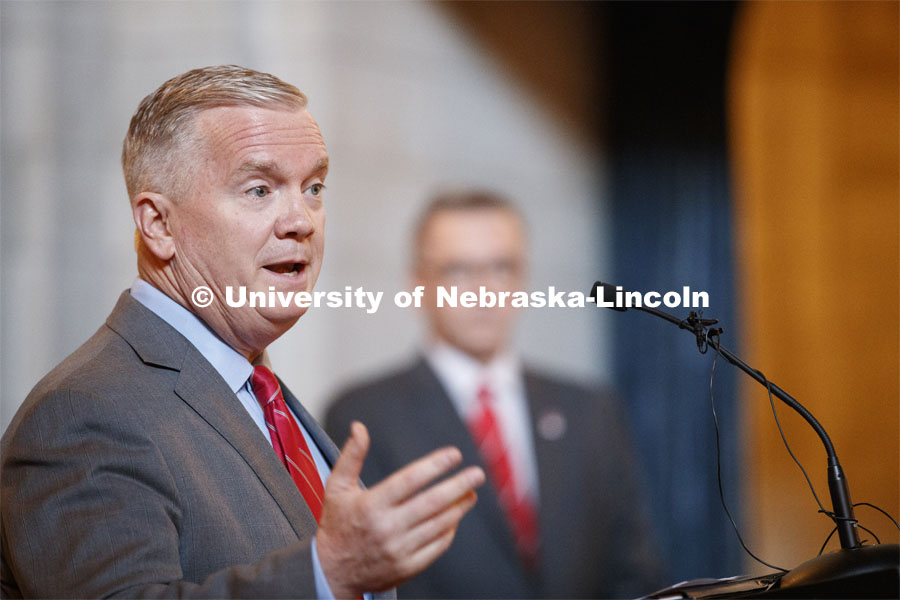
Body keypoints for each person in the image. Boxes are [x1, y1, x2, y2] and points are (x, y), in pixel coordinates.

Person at [0, 66, 486, 599]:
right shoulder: (82, 415)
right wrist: (329, 575)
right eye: (259, 190)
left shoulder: (257, 387)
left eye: (314, 187)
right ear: (158, 224)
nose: (301, 219)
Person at [325, 191, 664, 598]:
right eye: (458, 270)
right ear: (417, 285)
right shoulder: (364, 417)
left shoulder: (592, 411)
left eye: (501, 267)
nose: (483, 289)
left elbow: (635, 574)